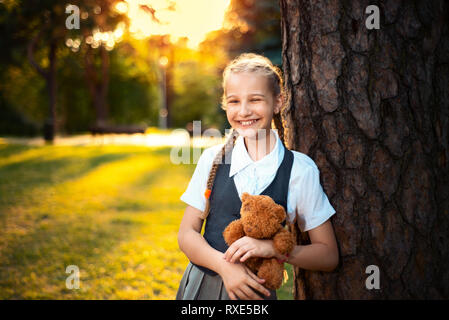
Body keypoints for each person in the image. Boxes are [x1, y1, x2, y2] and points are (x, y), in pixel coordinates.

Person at [176, 53, 339, 300]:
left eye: (255, 99)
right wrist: (224, 266)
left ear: (277, 102)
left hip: (255, 296)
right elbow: (187, 234)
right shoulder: (213, 160)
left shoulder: (299, 170)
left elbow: (328, 255)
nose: (243, 111)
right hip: (202, 289)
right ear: (225, 104)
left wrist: (272, 249)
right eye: (234, 101)